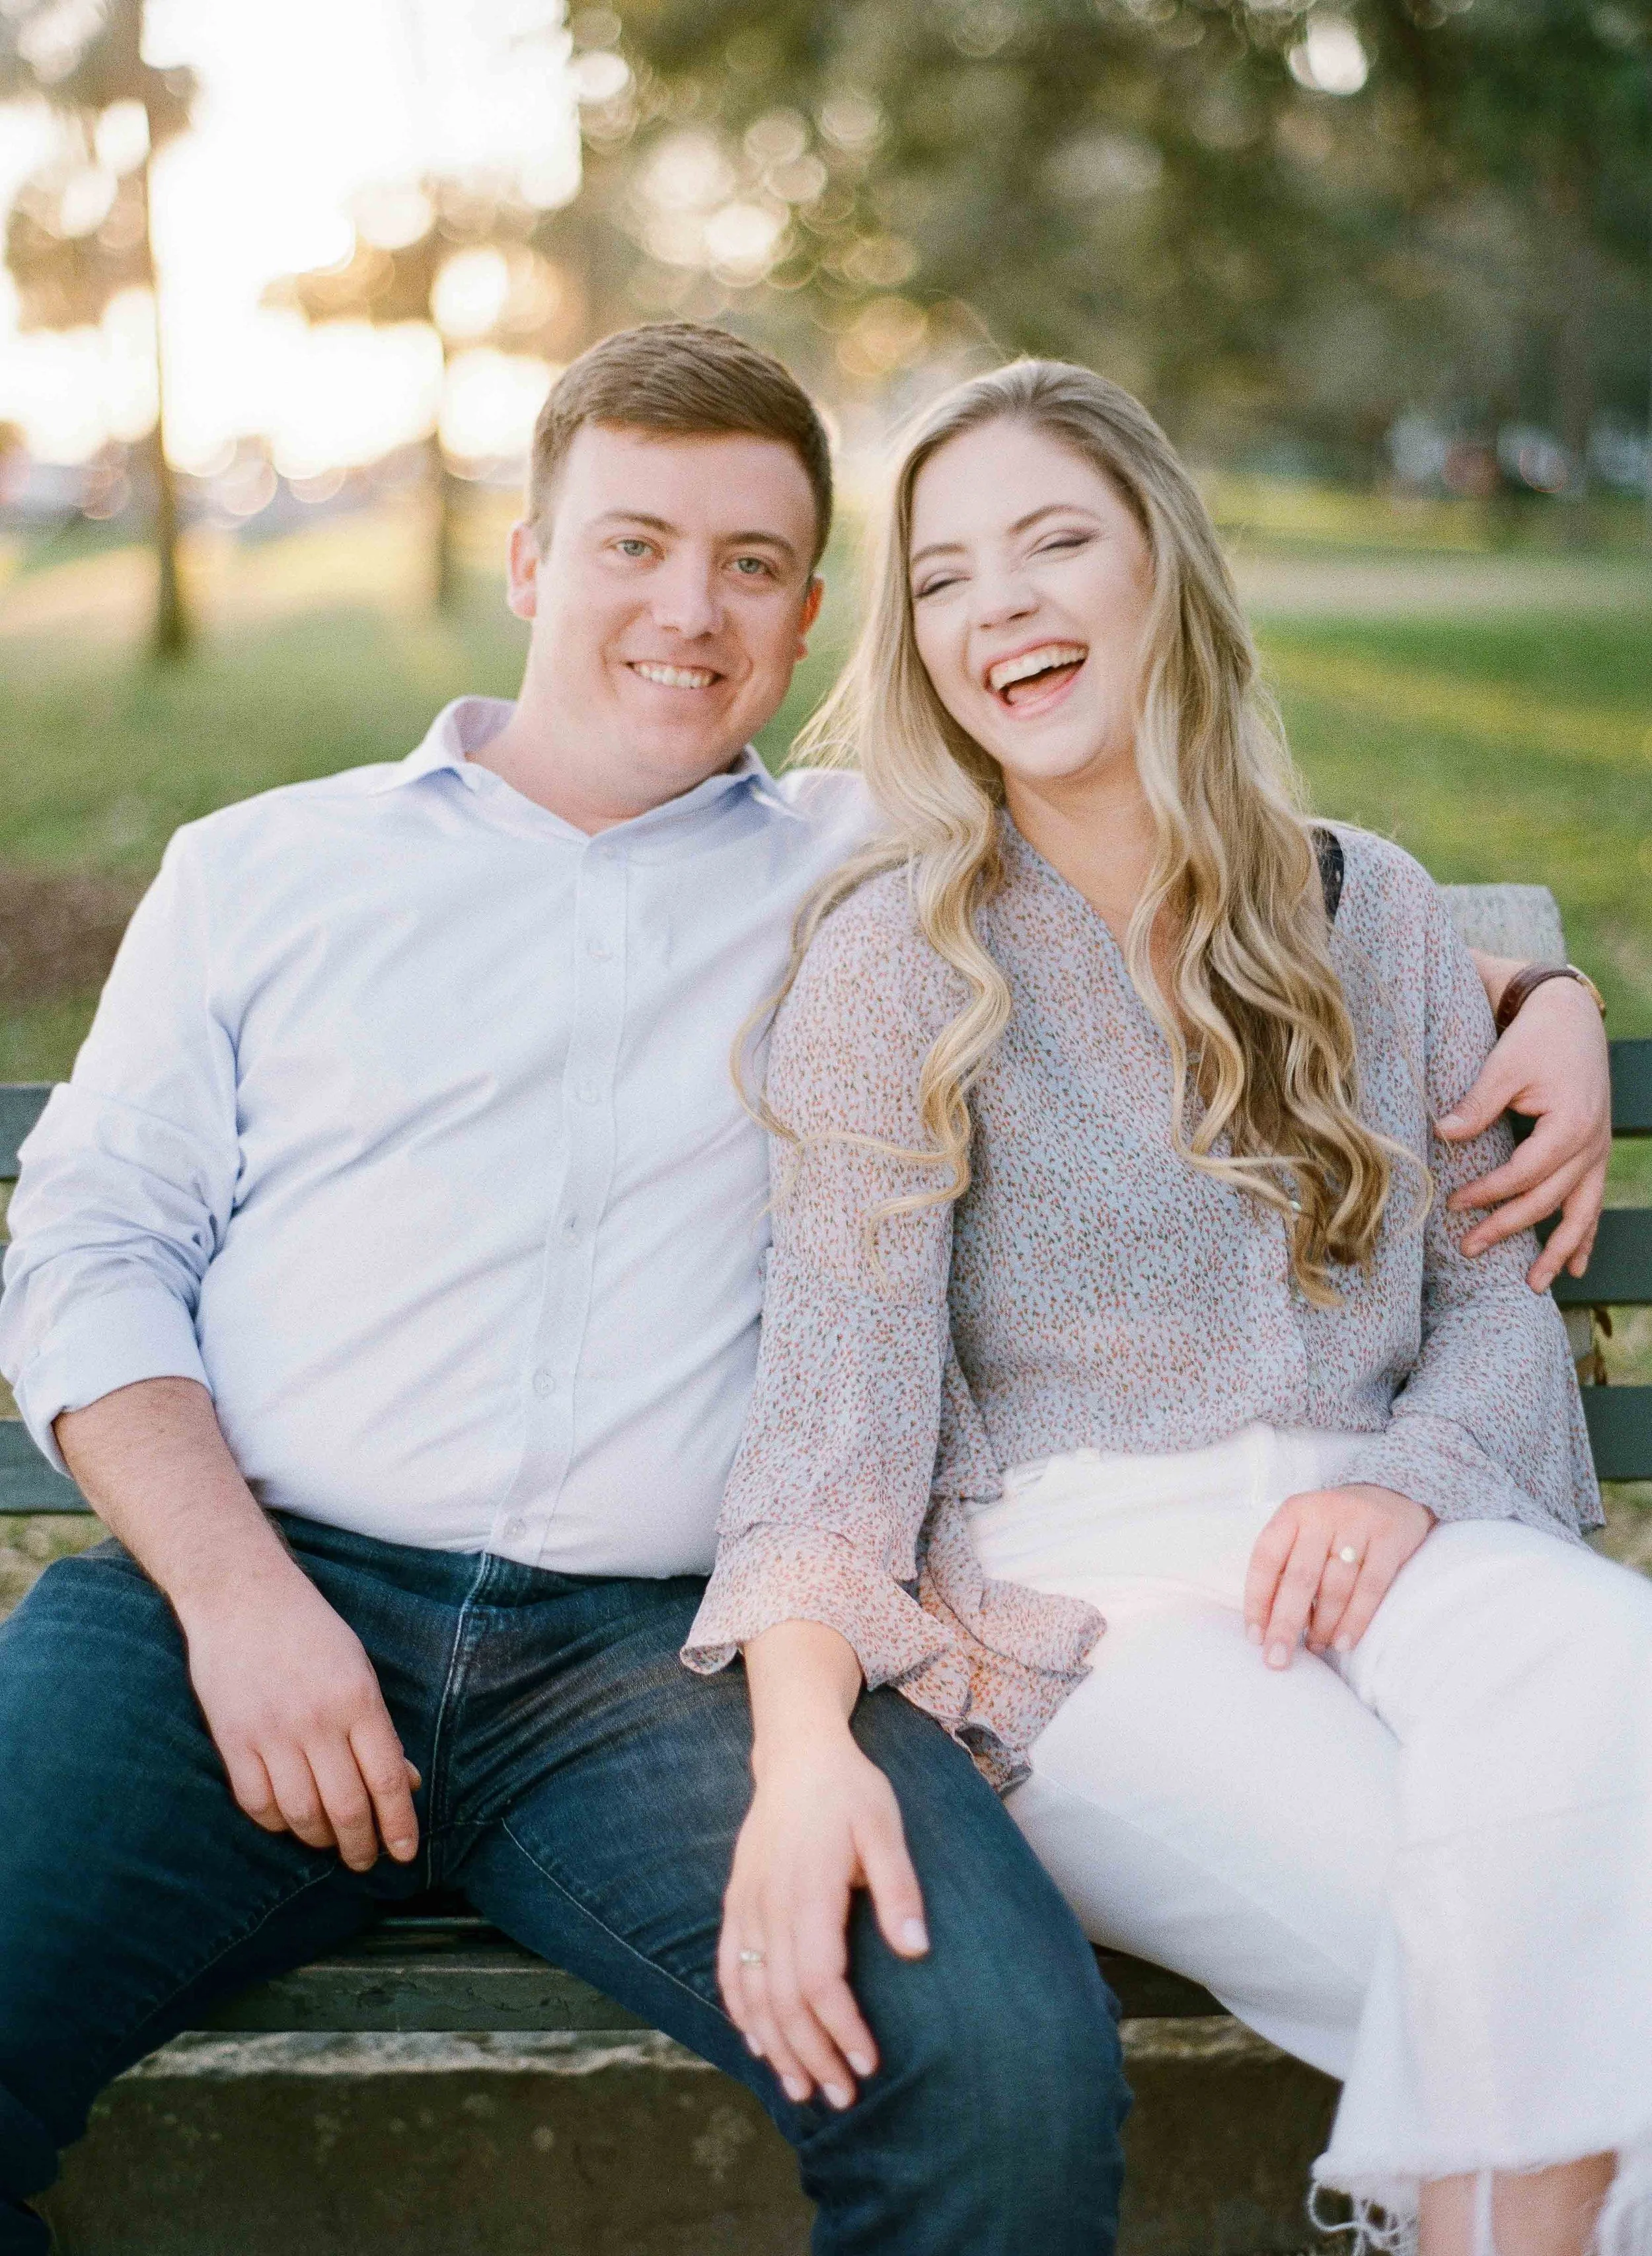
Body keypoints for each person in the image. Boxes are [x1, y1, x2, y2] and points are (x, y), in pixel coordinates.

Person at [0, 324, 1606, 2256]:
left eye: (751, 564)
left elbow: (1261, 880)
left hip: (650, 1660)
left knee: (999, 2076)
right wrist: (236, 1595)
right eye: (633, 543)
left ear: (813, 616)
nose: (689, 608)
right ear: (528, 562)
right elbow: (89, 1251)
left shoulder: (881, 870)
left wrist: (1543, 992)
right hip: (251, 1594)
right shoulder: (262, 871)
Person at [684, 359, 1645, 2256]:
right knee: (1529, 1921)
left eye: (1055, 542)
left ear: (1164, 573)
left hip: (1399, 1529)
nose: (1002, 605)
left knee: (1612, 1693)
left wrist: (1416, 1475)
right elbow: (829, 1413)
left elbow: (1484, 1280)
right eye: (946, 575)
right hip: (1090, 1618)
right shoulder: (900, 962)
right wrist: (801, 1749)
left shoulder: (1363, 911)